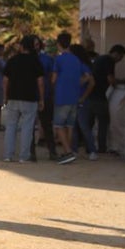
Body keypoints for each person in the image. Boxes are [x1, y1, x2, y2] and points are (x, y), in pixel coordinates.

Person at [50, 32, 93, 165]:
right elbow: (87, 76)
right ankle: (69, 151)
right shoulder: (76, 60)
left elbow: (53, 79)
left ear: (58, 44)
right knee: (69, 125)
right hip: (74, 97)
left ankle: (68, 151)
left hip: (62, 96)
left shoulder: (59, 59)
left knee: (58, 125)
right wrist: (77, 82)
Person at [1, 35, 45, 163]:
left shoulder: (12, 60)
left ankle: (8, 155)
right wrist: (41, 98)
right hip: (29, 98)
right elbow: (40, 81)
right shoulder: (36, 61)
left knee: (11, 126)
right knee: (27, 127)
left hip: (13, 96)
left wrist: (5, 96)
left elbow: (5, 80)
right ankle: (23, 156)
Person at [89, 44, 125, 153]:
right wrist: (118, 83)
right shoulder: (109, 61)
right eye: (121, 57)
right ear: (116, 54)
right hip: (100, 96)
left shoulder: (100, 58)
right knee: (103, 122)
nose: (120, 60)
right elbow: (110, 79)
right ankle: (102, 147)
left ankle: (89, 146)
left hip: (91, 95)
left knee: (89, 123)